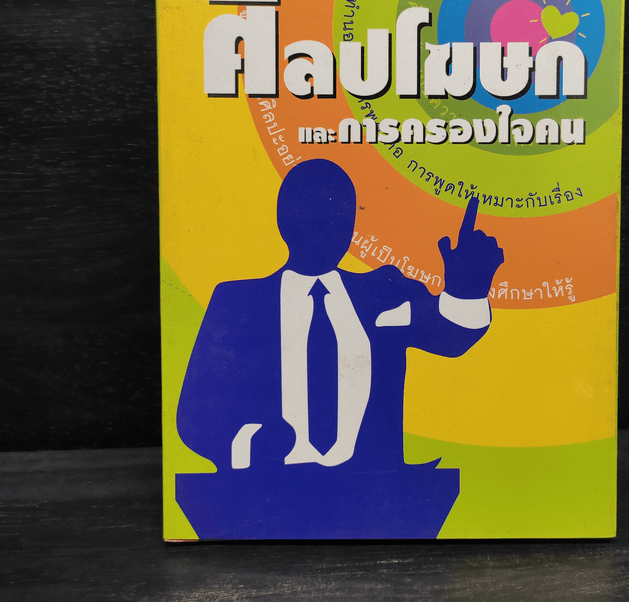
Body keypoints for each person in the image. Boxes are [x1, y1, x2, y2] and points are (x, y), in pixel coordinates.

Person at [176, 159, 504, 538]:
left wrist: (467, 288)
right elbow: (195, 416)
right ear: (283, 220)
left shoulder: (383, 291)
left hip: (374, 502)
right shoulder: (238, 302)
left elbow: (451, 334)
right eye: (311, 211)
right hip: (265, 499)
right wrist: (251, 443)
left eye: (338, 213)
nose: (326, 225)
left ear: (351, 224)